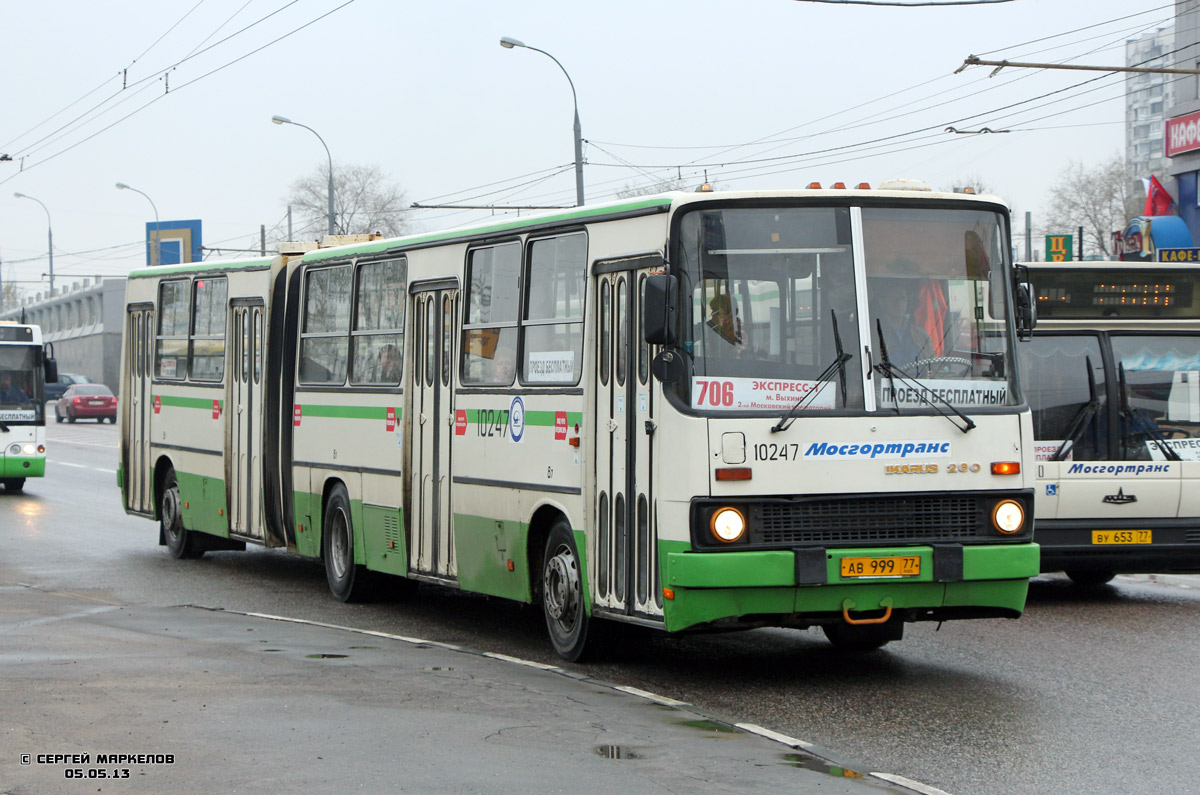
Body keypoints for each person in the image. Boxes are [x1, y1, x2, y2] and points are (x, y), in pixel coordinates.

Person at [870, 279, 933, 366]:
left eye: (902, 298)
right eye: (893, 299)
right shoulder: (872, 336)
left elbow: (934, 366)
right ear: (882, 303)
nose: (899, 303)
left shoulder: (921, 335)